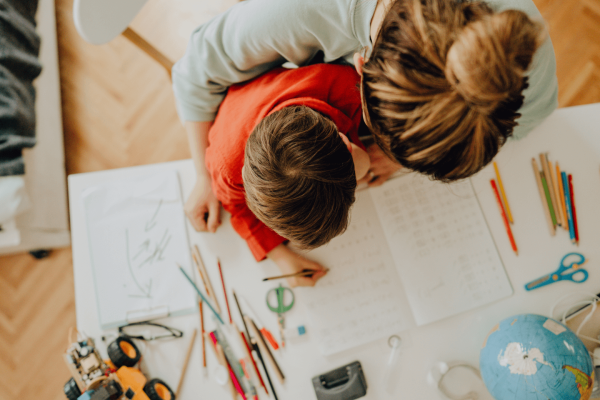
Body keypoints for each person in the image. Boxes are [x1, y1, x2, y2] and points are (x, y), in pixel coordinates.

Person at [205, 63, 371, 286]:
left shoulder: (350, 88)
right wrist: (279, 255)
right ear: (243, 175)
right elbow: (235, 205)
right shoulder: (227, 166)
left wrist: (363, 164)